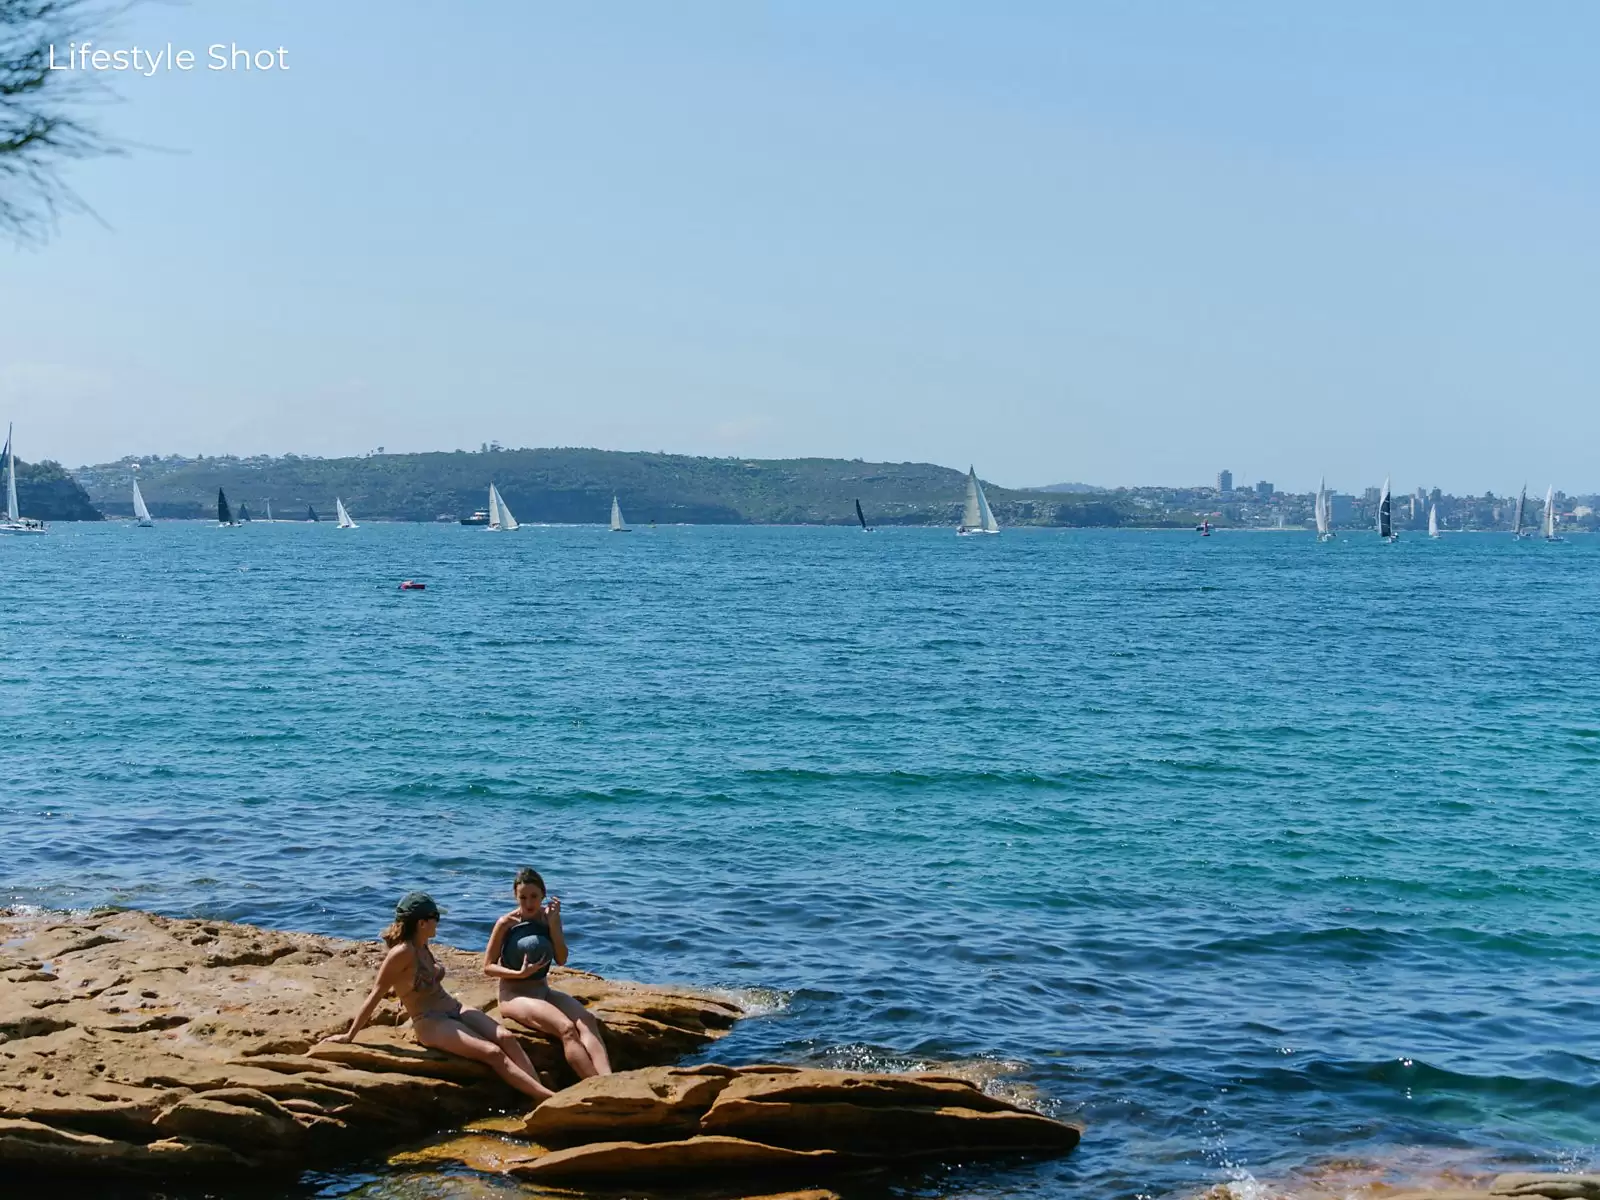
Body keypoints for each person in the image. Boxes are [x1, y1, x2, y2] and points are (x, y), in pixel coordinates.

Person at [329, 891, 553, 1103]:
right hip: (430, 1020)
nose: (439, 922)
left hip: (454, 1008)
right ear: (421, 923)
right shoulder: (401, 953)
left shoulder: (422, 945)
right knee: (492, 1052)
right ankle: (547, 1099)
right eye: (435, 917)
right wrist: (349, 1035)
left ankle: (537, 1089)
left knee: (506, 1038)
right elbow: (376, 994)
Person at [483, 868, 613, 1079]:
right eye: (523, 897)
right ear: (516, 897)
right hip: (515, 995)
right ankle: (594, 1084)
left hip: (543, 991)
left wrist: (553, 923)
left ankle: (609, 1079)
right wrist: (519, 974)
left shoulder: (548, 918)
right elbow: (488, 967)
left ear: (543, 895)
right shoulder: (506, 923)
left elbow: (561, 959)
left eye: (534, 896)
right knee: (567, 1029)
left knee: (587, 1020)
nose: (528, 903)